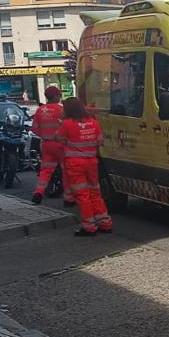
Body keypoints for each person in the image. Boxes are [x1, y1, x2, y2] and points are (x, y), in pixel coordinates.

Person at [58, 97, 113, 237]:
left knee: (83, 195)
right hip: (92, 163)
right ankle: (105, 223)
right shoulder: (94, 123)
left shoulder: (67, 124)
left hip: (75, 164)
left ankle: (89, 227)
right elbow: (100, 141)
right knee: (95, 193)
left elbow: (58, 138)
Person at [30, 86, 74, 206]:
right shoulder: (61, 109)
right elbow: (69, 126)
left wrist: (44, 135)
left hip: (46, 144)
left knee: (45, 171)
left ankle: (38, 192)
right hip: (61, 145)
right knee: (66, 171)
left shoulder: (40, 110)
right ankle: (68, 199)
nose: (59, 97)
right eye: (59, 95)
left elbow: (34, 128)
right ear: (54, 96)